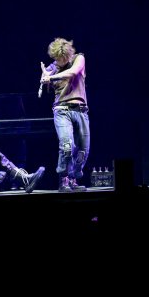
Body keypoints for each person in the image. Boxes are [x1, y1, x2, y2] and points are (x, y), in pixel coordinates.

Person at [40, 37, 90, 193]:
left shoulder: (78, 58)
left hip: (81, 110)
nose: (59, 62)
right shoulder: (53, 66)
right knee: (67, 145)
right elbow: (44, 78)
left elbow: (73, 72)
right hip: (62, 110)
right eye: (57, 59)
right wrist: (44, 77)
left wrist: (51, 77)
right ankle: (64, 180)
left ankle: (74, 178)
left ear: (68, 55)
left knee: (82, 150)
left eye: (61, 58)